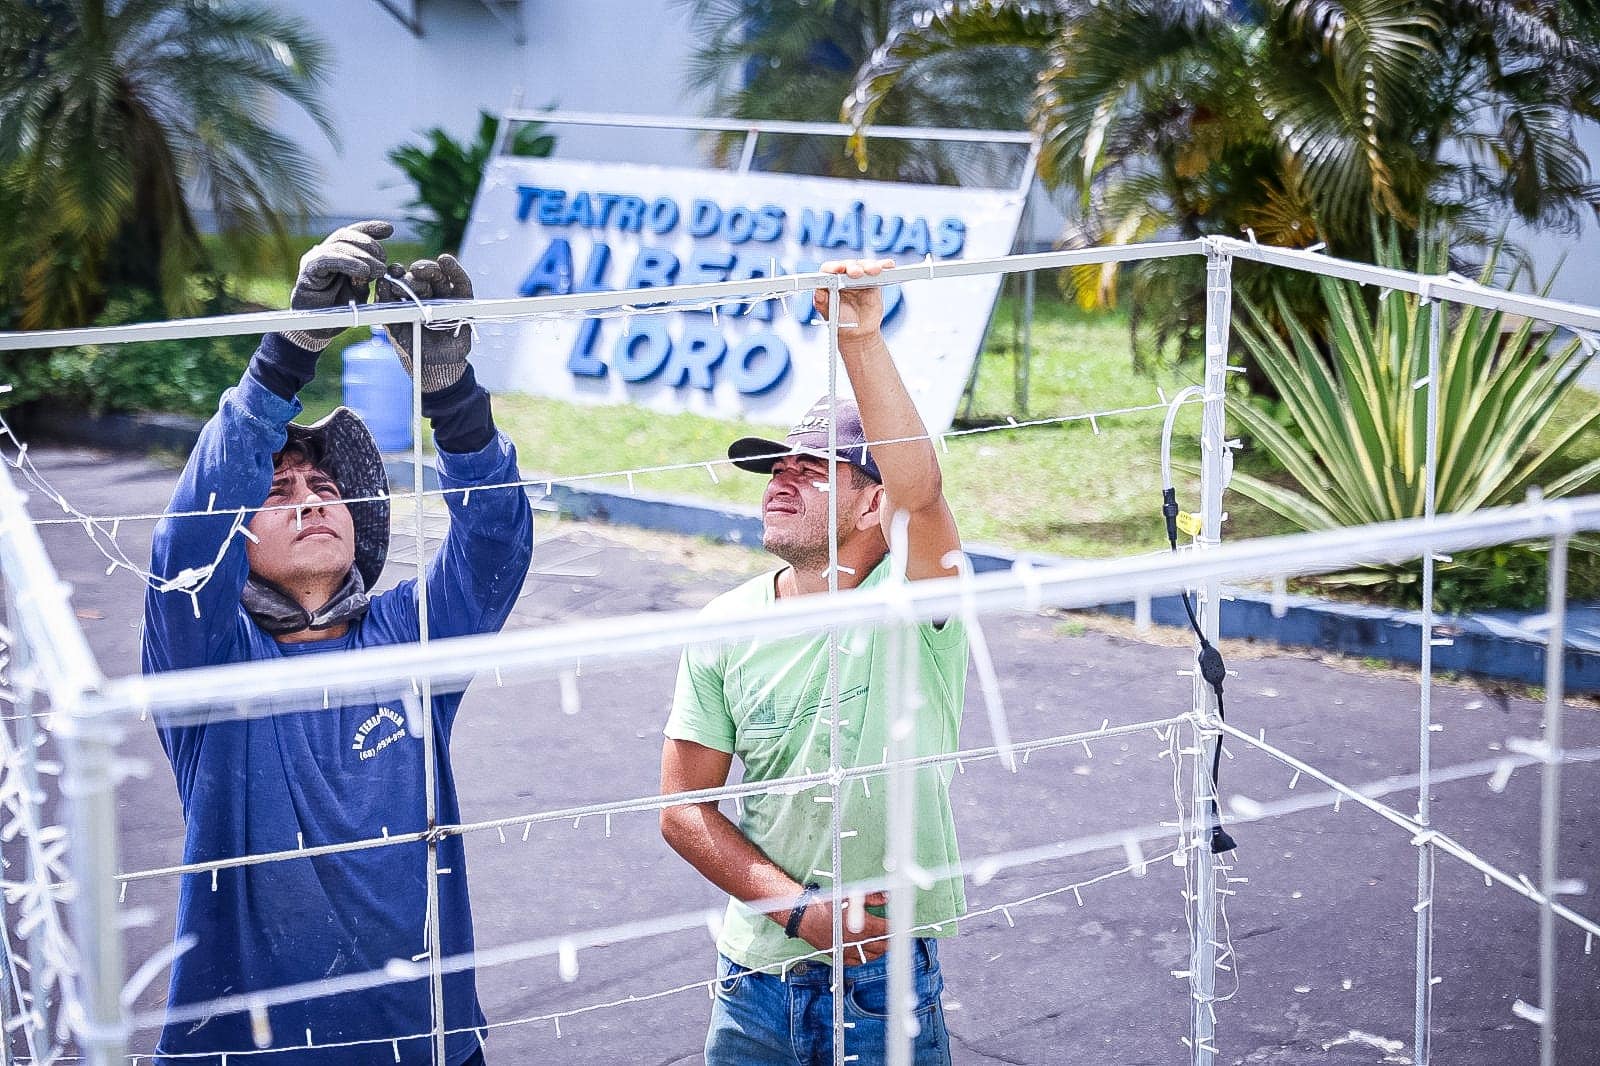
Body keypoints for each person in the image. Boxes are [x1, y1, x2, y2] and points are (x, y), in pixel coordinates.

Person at [142, 221, 533, 1065]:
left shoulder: (405, 640)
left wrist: (451, 393)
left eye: (325, 485)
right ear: (233, 536)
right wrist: (288, 352)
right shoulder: (210, 657)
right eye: (278, 490)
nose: (312, 500)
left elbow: (494, 544)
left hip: (430, 1041)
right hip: (253, 1052)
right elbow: (182, 551)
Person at [659, 259, 967, 1065]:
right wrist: (802, 913)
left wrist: (858, 337)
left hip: (882, 983)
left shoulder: (917, 598)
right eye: (777, 467)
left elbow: (923, 491)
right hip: (753, 980)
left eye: (813, 466)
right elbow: (682, 809)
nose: (779, 480)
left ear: (873, 501)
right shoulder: (724, 623)